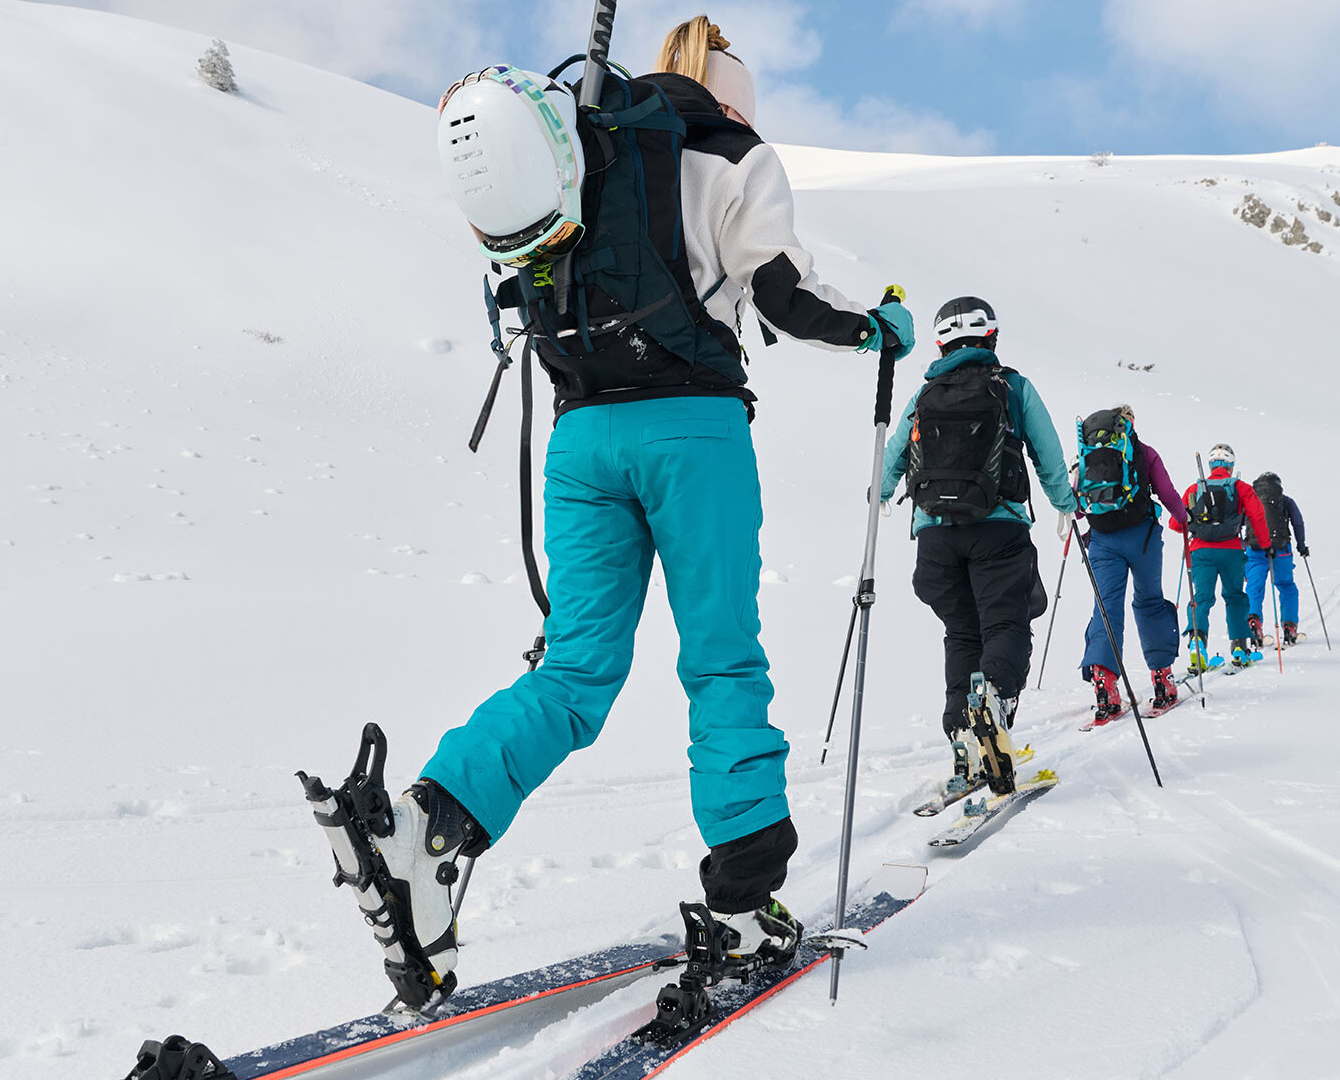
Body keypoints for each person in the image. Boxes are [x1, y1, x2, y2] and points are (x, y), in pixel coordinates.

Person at [348, 17, 920, 1004]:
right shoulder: (734, 152)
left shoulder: (581, 156)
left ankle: (426, 826)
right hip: (690, 432)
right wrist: (877, 328)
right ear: (735, 96)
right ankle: (742, 907)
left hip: (581, 442)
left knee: (574, 671)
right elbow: (780, 294)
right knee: (720, 657)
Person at [879, 296, 1075, 793]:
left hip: (935, 538)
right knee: (1006, 624)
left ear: (941, 341)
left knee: (961, 633)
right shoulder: (1013, 386)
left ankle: (963, 736)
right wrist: (1065, 504)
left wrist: (878, 495)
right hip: (999, 529)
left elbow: (896, 452)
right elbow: (1047, 453)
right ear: (991, 337)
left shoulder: (927, 392)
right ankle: (995, 698)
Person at [1070, 405, 1189, 724]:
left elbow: (1077, 506)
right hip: (1143, 537)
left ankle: (1105, 686)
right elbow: (1166, 492)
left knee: (1106, 609)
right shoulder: (1144, 452)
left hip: (1102, 540)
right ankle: (1163, 680)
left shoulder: (1088, 455)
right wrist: (1183, 518)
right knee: (1149, 602)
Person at [1176, 444, 1270, 670]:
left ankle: (1197, 641)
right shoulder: (1242, 487)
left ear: (1211, 465)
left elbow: (1175, 523)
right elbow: (1257, 516)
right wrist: (1265, 544)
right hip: (1232, 551)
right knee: (1235, 596)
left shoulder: (1194, 489)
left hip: (1200, 551)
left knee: (1202, 597)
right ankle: (1239, 647)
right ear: (1230, 465)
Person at [1243, 472, 1309, 647]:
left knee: (1254, 586)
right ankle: (1289, 626)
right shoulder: (1286, 501)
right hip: (1281, 550)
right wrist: (1301, 546)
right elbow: (1298, 523)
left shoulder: (1250, 499)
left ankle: (1253, 622)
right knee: (1287, 586)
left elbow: (1240, 523)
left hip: (1254, 550)